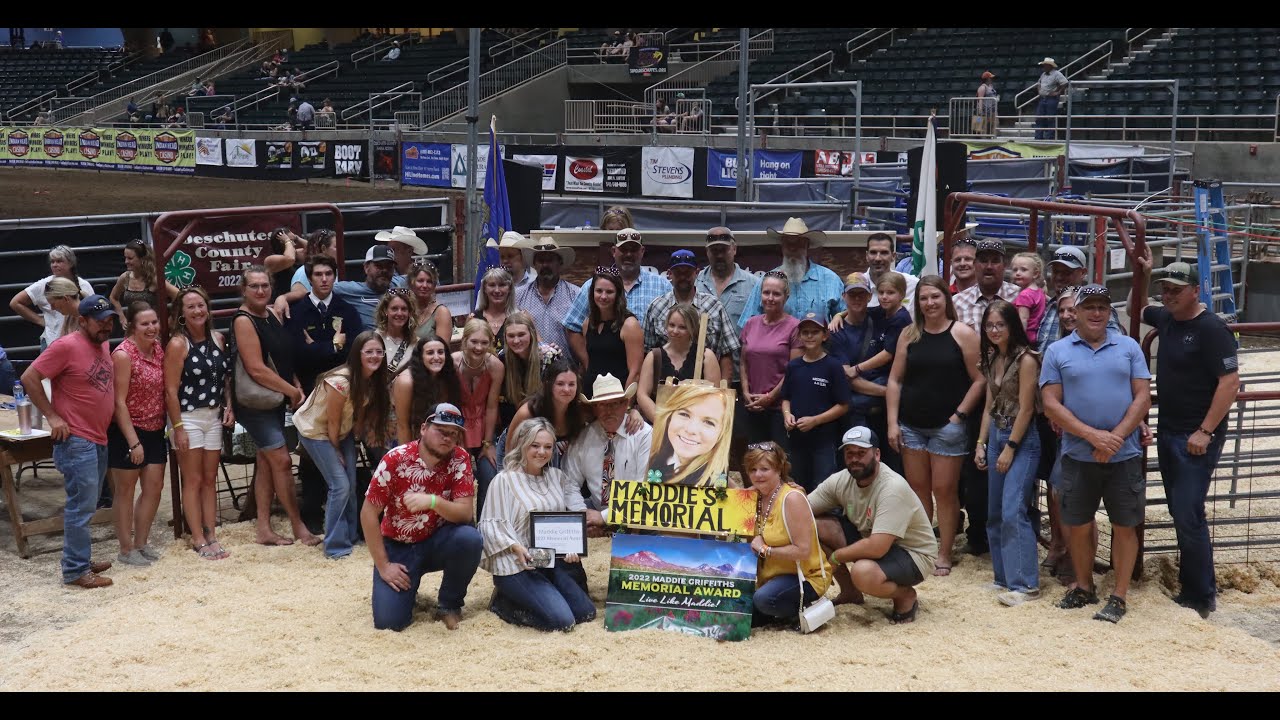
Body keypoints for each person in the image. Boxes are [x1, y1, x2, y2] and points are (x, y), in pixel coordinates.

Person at [1132, 258, 1240, 618]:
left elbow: (1229, 382)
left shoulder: (1211, 329)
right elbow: (1135, 307)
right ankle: (1193, 587)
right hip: (1170, 430)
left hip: (1195, 435)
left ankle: (1200, 594)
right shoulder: (1166, 318)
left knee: (1187, 511)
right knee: (1182, 511)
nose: (1169, 295)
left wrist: (1206, 431)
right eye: (1165, 289)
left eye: (1176, 290)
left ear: (1196, 290)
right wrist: (1143, 274)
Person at [1040, 285, 1151, 623]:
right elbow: (1050, 404)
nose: (1096, 312)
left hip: (1124, 454)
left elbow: (1142, 396)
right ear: (1076, 311)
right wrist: (1093, 436)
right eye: (1089, 306)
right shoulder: (1058, 351)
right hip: (1078, 453)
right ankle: (1084, 586)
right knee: (1077, 523)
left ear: (1108, 311)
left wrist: (1114, 438)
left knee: (1125, 524)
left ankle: (1118, 594)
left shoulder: (1129, 347)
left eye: (1103, 306)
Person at [887, 276, 984, 576]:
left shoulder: (963, 334)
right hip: (912, 424)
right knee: (918, 490)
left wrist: (960, 415)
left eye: (935, 297)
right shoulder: (909, 334)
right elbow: (895, 379)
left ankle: (945, 552)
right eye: (924, 298)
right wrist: (892, 421)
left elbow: (980, 379)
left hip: (948, 426)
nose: (929, 303)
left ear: (946, 299)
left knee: (944, 490)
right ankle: (923, 549)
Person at [21, 295, 119, 588]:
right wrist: (52, 416)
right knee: (81, 505)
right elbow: (29, 378)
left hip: (97, 435)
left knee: (86, 504)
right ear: (82, 320)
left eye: (110, 320)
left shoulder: (101, 343)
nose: (107, 326)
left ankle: (79, 558)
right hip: (77, 438)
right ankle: (75, 570)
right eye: (101, 321)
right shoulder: (65, 346)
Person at [364, 403, 482, 631]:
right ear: (423, 429)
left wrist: (433, 501)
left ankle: (449, 604)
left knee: (470, 539)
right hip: (398, 546)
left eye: (454, 434)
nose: (447, 438)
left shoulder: (460, 458)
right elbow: (368, 513)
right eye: (441, 430)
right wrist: (383, 565)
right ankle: (409, 588)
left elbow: (465, 513)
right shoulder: (395, 459)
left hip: (437, 540)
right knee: (389, 623)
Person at [480, 417, 597, 631]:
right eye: (535, 445)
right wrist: (516, 547)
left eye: (548, 447)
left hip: (548, 560)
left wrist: (573, 546)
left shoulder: (557, 477)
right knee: (563, 622)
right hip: (516, 563)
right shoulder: (504, 480)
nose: (541, 452)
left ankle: (544, 595)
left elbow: (576, 508)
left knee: (586, 614)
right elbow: (489, 526)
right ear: (522, 444)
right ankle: (503, 604)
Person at [231, 266, 319, 547]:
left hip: (275, 398)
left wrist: (293, 383)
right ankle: (298, 526)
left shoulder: (270, 314)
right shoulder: (243, 320)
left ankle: (264, 529)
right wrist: (291, 390)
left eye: (264, 286)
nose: (260, 290)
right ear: (243, 290)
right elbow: (256, 369)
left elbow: (282, 357)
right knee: (281, 461)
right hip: (256, 403)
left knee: (266, 463)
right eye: (254, 286)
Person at [815, 426, 939, 623]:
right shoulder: (841, 480)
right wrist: (788, 495)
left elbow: (877, 548)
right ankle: (850, 593)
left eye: (861, 453)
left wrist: (836, 557)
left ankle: (905, 595)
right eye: (849, 453)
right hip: (873, 541)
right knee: (815, 525)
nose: (855, 458)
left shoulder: (892, 487)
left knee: (862, 572)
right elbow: (802, 509)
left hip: (913, 554)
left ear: (877, 454)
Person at [295, 331, 391, 559]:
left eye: (379, 351)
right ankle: (335, 546)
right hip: (316, 431)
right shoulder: (341, 381)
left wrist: (354, 442)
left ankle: (350, 536)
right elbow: (333, 421)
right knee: (339, 485)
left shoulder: (373, 379)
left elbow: (358, 416)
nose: (375, 356)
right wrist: (336, 450)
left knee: (351, 480)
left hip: (342, 431)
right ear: (358, 354)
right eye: (369, 352)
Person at [952, 238, 1019, 556]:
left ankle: (1014, 532)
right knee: (975, 465)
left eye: (995, 259)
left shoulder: (1021, 297)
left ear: (1003, 264)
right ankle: (979, 533)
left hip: (1014, 392)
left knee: (1014, 461)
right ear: (975, 264)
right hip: (974, 390)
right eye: (984, 260)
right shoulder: (960, 300)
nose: (989, 265)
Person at [974, 300, 1042, 606]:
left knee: (1014, 510)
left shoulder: (1026, 359)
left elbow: (1027, 408)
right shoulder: (990, 358)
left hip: (1021, 436)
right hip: (997, 430)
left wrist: (1010, 447)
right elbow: (990, 404)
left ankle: (1026, 583)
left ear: (1013, 326)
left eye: (1000, 324)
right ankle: (1003, 577)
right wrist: (981, 442)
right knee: (995, 512)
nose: (994, 330)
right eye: (989, 325)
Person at [164, 286, 233, 560]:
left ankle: (212, 532)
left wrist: (229, 405)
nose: (197, 311)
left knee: (209, 479)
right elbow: (170, 390)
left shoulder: (218, 337)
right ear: (181, 313)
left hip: (213, 415)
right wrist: (177, 427)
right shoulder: (178, 344)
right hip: (188, 416)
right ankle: (197, 537)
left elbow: (225, 378)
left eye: (201, 305)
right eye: (191, 307)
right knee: (192, 479)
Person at [744, 441, 833, 628]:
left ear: (778, 469)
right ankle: (777, 613)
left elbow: (803, 551)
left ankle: (801, 608)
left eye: (764, 469)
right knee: (741, 613)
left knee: (764, 600)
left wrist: (765, 549)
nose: (757, 475)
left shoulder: (792, 498)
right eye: (752, 469)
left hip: (806, 577)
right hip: (770, 578)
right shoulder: (752, 497)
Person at [108, 302, 168, 567]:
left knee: (154, 487)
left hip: (155, 427)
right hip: (128, 429)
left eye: (154, 322)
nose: (152, 328)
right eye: (145, 324)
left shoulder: (158, 349)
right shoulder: (122, 355)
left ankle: (142, 542)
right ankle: (125, 547)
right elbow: (118, 402)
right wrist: (133, 442)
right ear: (132, 326)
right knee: (126, 489)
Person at [828, 272, 906, 474]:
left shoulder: (880, 316)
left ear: (869, 296)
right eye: (851, 295)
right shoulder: (836, 333)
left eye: (861, 295)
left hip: (887, 413)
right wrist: (889, 392)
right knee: (860, 466)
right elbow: (848, 379)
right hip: (858, 413)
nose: (856, 299)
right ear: (843, 297)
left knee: (892, 467)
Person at [563, 229, 671, 363]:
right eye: (623, 250)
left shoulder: (663, 286)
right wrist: (588, 363)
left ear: (642, 251)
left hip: (649, 367)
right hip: (604, 369)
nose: (629, 254)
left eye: (634, 250)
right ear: (613, 251)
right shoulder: (593, 286)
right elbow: (572, 327)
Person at [561, 373, 651, 532]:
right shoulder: (584, 437)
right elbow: (568, 481)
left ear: (625, 404)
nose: (609, 411)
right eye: (602, 405)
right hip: (595, 513)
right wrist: (583, 516)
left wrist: (603, 518)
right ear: (594, 408)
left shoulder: (643, 435)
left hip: (638, 519)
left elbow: (645, 490)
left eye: (615, 404)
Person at [642, 249, 739, 382]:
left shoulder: (714, 306)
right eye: (678, 273)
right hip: (665, 389)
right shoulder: (656, 308)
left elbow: (726, 354)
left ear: (697, 273)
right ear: (669, 274)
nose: (683, 277)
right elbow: (648, 351)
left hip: (707, 388)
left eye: (687, 273)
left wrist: (722, 395)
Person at [780, 312, 850, 492]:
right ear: (799, 335)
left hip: (823, 440)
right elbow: (785, 397)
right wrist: (787, 416)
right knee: (797, 484)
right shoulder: (794, 366)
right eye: (805, 332)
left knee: (823, 487)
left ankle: (823, 520)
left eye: (815, 332)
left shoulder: (833, 366)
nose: (810, 336)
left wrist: (816, 420)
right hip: (797, 439)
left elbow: (843, 405)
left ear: (825, 335)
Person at [737, 218, 843, 328]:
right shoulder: (766, 281)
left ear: (807, 246)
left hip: (819, 344)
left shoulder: (830, 280)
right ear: (782, 246)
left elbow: (846, 316)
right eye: (788, 243)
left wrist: (839, 316)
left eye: (798, 243)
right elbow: (747, 325)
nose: (793, 248)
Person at [739, 271, 802, 452]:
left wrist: (770, 397)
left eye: (776, 294)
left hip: (779, 408)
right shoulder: (751, 323)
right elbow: (743, 362)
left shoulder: (795, 327)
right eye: (766, 293)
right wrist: (745, 392)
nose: (770, 298)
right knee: (756, 457)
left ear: (786, 296)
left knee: (778, 461)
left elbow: (794, 370)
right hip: (752, 406)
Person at [500, 356, 587, 472]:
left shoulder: (581, 411)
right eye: (560, 384)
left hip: (553, 461)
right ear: (548, 384)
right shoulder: (528, 412)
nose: (567, 389)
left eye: (571, 384)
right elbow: (510, 452)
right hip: (516, 455)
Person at [638, 303, 719, 422]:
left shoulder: (706, 356)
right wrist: (660, 420)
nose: (675, 331)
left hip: (694, 426)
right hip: (659, 422)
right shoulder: (654, 357)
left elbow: (715, 396)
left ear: (692, 329)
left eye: (682, 327)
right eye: (671, 325)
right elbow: (642, 394)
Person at [454, 318, 503, 510]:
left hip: (485, 424)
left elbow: (491, 406)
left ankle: (485, 524)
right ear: (464, 340)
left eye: (484, 343)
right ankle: (464, 525)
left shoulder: (495, 366)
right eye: (474, 341)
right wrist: (455, 439)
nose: (479, 347)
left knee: (489, 473)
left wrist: (488, 443)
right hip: (458, 424)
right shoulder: (452, 363)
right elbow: (450, 403)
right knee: (460, 477)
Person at [647, 382, 734, 486]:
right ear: (669, 417)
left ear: (722, 433)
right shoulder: (653, 459)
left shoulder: (716, 481)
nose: (691, 429)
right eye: (684, 414)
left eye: (708, 422)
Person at [574, 266, 643, 396]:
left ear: (618, 294)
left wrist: (626, 406)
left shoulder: (629, 325)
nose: (603, 296)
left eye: (609, 292)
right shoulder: (587, 323)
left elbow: (635, 373)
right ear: (592, 292)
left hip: (617, 398)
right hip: (590, 396)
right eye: (599, 291)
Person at [10, 245, 94, 350]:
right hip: (52, 342)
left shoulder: (84, 285)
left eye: (59, 261)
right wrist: (41, 321)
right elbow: (16, 302)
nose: (54, 265)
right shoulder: (44, 285)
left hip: (79, 343)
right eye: (52, 262)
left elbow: (93, 315)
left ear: (71, 263)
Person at [496, 311, 562, 432]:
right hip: (513, 424)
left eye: (521, 335)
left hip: (545, 424)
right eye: (511, 336)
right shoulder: (501, 358)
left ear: (531, 334)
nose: (516, 341)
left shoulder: (550, 356)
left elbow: (557, 401)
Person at [392, 337, 461, 446]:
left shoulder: (450, 374)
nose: (436, 357)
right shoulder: (406, 382)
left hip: (438, 436)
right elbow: (402, 425)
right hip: (408, 437)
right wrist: (409, 458)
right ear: (420, 357)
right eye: (430, 353)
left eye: (440, 352)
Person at [515, 239, 579, 352]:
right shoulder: (518, 295)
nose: (545, 265)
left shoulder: (575, 295)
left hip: (566, 367)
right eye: (541, 260)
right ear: (534, 264)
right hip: (530, 368)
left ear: (560, 263)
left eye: (550, 260)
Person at [697, 226, 760, 330]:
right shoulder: (695, 283)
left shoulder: (754, 285)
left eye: (723, 250)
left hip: (741, 346)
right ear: (707, 252)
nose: (719, 255)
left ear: (734, 249)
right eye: (714, 251)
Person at [108, 238, 177, 316]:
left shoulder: (153, 279)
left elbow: (178, 295)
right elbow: (113, 298)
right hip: (132, 326)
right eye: (125, 258)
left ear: (142, 259)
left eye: (130, 258)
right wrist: (121, 317)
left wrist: (170, 319)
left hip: (152, 326)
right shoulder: (125, 277)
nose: (126, 262)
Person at [479, 231, 536, 309]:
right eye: (502, 257)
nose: (505, 261)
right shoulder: (489, 286)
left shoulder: (534, 284)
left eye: (510, 256)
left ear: (523, 258)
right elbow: (479, 315)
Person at [470, 267, 515, 353]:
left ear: (509, 288)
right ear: (484, 289)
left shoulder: (520, 317)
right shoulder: (473, 318)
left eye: (502, 285)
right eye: (492, 285)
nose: (497, 290)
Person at [408, 259, 454, 342]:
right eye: (420, 281)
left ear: (434, 285)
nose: (425, 285)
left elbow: (442, 349)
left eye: (429, 281)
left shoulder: (441, 312)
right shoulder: (404, 309)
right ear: (411, 283)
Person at [374, 288, 418, 375]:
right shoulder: (374, 340)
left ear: (410, 312)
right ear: (385, 310)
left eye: (404, 309)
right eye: (394, 309)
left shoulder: (416, 343)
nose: (399, 313)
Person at [1010, 251, 1048, 343]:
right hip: (1034, 336)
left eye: (1023, 270)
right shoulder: (1039, 292)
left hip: (1024, 338)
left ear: (1035, 274)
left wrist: (1016, 342)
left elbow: (1023, 319)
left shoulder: (1025, 295)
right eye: (1015, 270)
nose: (1018, 273)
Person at [264, 227, 308, 300]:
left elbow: (313, 249)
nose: (294, 244)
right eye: (292, 241)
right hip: (281, 299)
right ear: (282, 242)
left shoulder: (296, 254)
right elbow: (290, 259)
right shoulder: (270, 260)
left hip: (298, 298)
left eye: (294, 241)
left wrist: (296, 238)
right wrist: (287, 240)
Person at [1034, 57, 1069, 140]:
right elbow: (1038, 83)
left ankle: (1050, 137)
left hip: (1051, 99)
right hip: (1043, 98)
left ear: (1049, 66)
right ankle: (1038, 137)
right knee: (1039, 118)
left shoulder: (1057, 74)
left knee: (1050, 118)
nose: (1044, 67)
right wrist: (1039, 90)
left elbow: (1065, 83)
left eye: (1045, 65)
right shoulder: (1043, 74)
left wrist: (1058, 92)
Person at [976, 71, 998, 136]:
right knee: (982, 128)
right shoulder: (982, 88)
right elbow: (980, 100)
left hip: (992, 111)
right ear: (988, 79)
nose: (992, 79)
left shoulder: (991, 86)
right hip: (984, 112)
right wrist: (980, 112)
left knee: (993, 127)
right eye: (991, 78)